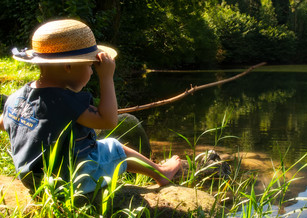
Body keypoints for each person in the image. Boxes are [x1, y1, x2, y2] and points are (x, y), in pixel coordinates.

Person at [0, 19, 181, 194]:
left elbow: (4, 122)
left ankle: (159, 170)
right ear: (69, 67)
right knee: (115, 147)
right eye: (90, 65)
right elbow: (109, 120)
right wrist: (106, 78)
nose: (92, 71)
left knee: (102, 146)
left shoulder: (16, 97)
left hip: (33, 179)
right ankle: (162, 173)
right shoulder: (65, 100)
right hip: (68, 180)